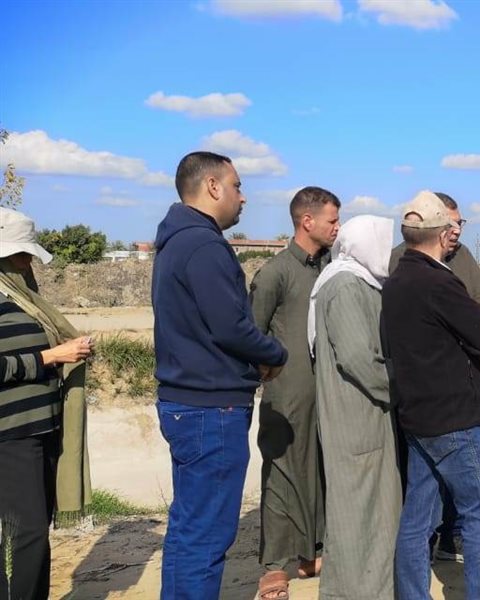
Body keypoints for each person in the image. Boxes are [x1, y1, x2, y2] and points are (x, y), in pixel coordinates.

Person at [152, 151, 288, 599]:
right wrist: (274, 353)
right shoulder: (203, 245)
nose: (242, 197)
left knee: (189, 530)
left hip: (189, 403)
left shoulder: (176, 241)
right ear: (212, 186)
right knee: (206, 537)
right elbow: (231, 326)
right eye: (237, 186)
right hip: (211, 408)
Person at [384, 192, 480, 599]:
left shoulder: (397, 280)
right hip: (454, 420)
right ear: (443, 234)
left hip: (417, 416)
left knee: (417, 517)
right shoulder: (439, 281)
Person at [249, 186, 341, 599]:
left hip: (327, 391)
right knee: (282, 473)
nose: (337, 227)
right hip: (285, 394)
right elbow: (251, 334)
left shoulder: (332, 269)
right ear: (307, 221)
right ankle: (274, 566)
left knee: (319, 469)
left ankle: (311, 552)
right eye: (332, 220)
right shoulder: (275, 273)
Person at [0, 208, 93, 600]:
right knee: (28, 533)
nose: (28, 263)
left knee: (33, 530)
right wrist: (51, 357)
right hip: (11, 434)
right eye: (22, 255)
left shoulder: (21, 298)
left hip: (40, 429)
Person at [307, 214, 401, 599]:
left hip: (364, 415)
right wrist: (400, 386)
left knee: (372, 512)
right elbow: (358, 358)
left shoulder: (357, 281)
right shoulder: (346, 285)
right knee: (358, 512)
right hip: (356, 416)